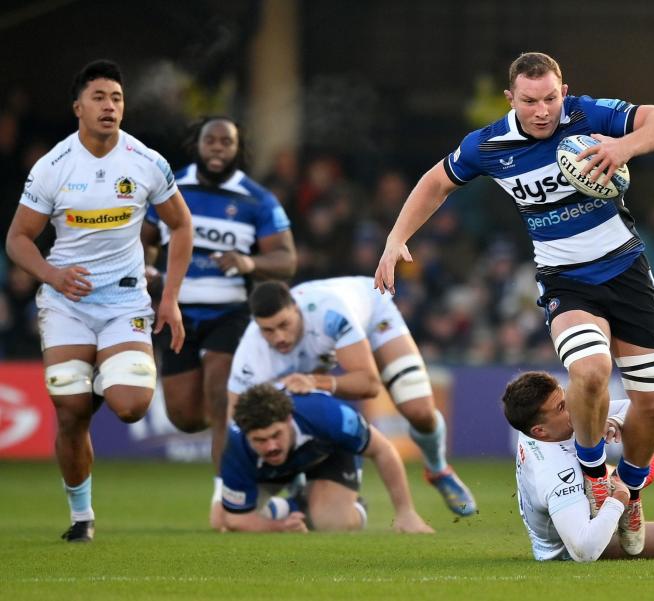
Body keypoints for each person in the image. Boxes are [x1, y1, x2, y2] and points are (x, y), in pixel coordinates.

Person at [374, 51, 654, 550]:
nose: (542, 110)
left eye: (549, 99)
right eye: (529, 101)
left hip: (627, 270)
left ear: (563, 92)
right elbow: (436, 182)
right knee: (589, 369)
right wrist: (395, 238)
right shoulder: (489, 144)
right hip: (565, 278)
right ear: (510, 98)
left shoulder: (587, 115)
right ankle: (595, 476)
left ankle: (630, 490)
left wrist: (624, 147)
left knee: (652, 405)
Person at [4, 60, 193, 542]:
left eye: (117, 98)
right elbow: (18, 239)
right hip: (66, 303)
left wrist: (169, 299)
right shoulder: (52, 167)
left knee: (130, 405)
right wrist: (53, 274)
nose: (110, 106)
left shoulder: (146, 162)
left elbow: (182, 225)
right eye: (99, 98)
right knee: (70, 412)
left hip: (125, 301)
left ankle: (106, 373)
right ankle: (82, 517)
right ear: (77, 108)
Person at [141, 116, 296, 523]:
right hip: (176, 311)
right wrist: (146, 267)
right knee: (185, 416)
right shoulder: (170, 186)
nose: (217, 148)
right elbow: (144, 237)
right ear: (197, 144)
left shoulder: (257, 199)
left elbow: (286, 258)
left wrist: (249, 261)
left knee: (219, 393)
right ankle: (245, 444)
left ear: (237, 149)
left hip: (231, 312)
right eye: (210, 140)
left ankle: (226, 497)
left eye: (226, 142)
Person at [226, 278, 477, 518]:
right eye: (268, 330)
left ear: (296, 309)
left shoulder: (329, 314)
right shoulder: (251, 351)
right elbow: (236, 421)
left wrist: (315, 382)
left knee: (419, 411)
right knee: (274, 416)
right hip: (317, 352)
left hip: (373, 315)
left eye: (284, 325)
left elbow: (369, 384)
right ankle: (299, 486)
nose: (278, 337)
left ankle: (438, 469)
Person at [502, 371, 654, 562]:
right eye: (561, 407)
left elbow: (633, 408)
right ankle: (620, 486)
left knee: (639, 457)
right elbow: (584, 550)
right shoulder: (555, 473)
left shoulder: (538, 428)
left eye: (568, 397)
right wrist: (619, 501)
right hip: (568, 545)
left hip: (559, 516)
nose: (574, 406)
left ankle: (610, 480)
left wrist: (614, 420)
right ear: (540, 431)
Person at [213, 383, 434, 534]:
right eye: (259, 440)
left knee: (331, 522)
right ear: (245, 434)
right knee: (220, 521)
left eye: (276, 435)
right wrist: (280, 527)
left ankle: (347, 504)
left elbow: (383, 450)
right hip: (268, 470)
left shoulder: (328, 415)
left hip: (326, 456)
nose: (271, 446)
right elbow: (236, 520)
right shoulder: (235, 444)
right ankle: (296, 504)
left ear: (289, 419)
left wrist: (406, 513)